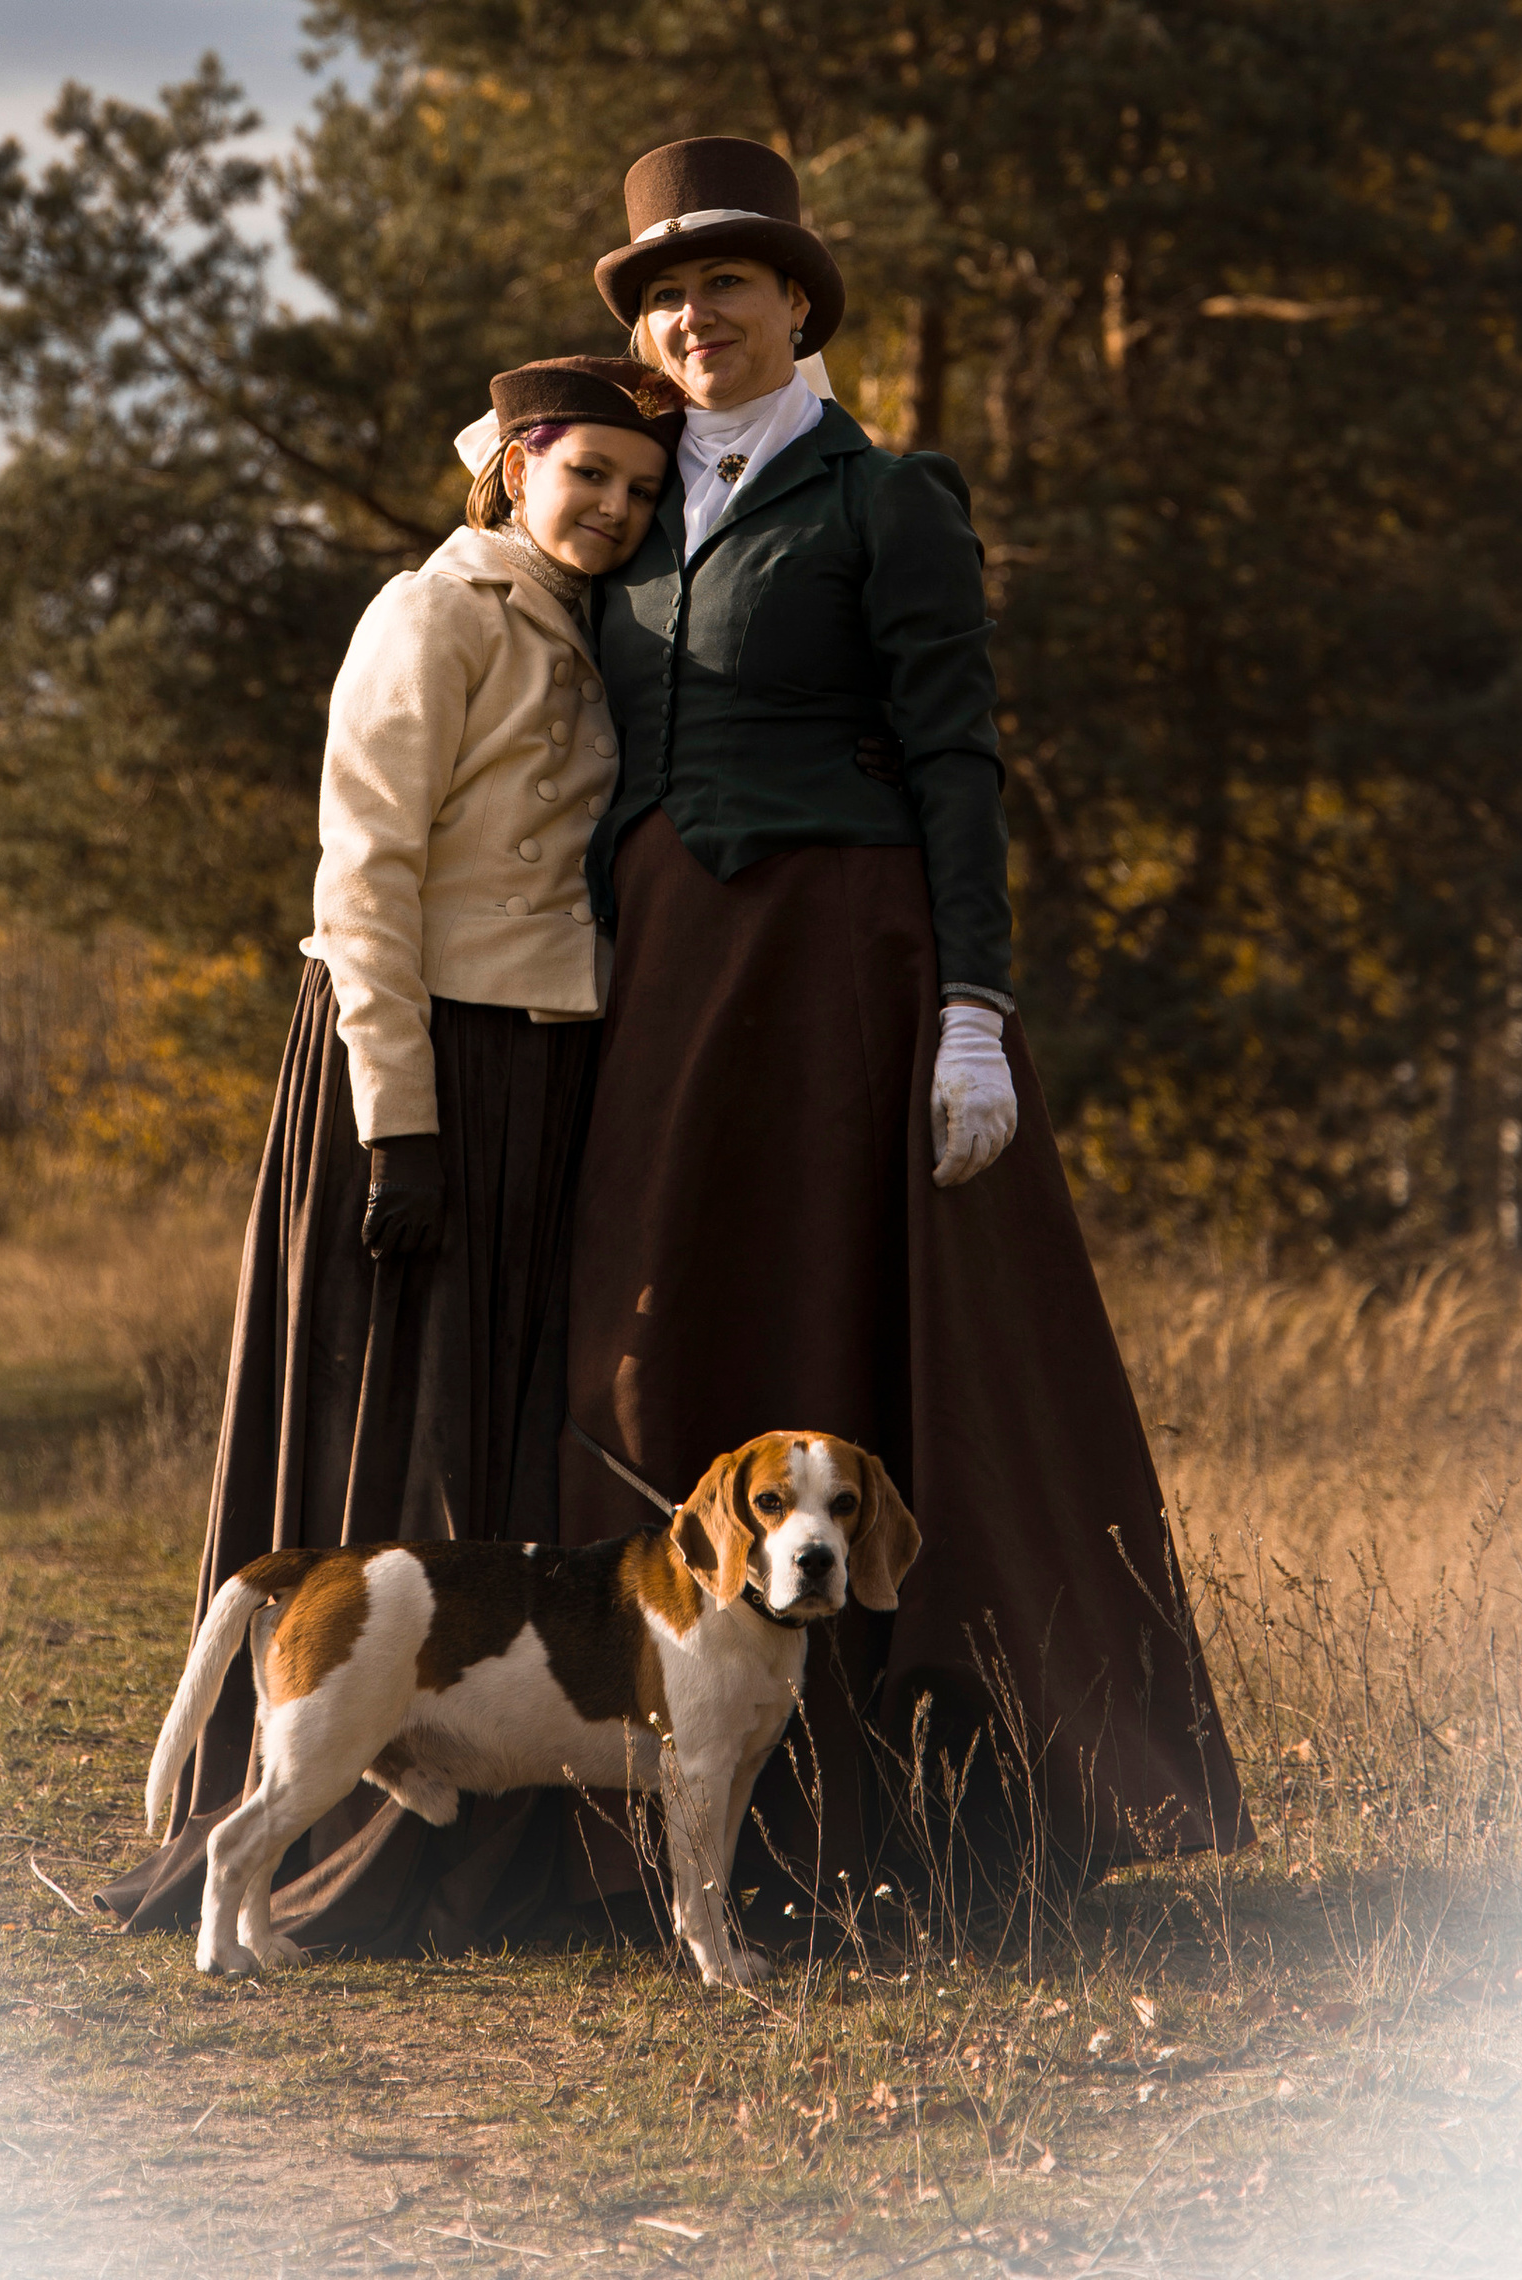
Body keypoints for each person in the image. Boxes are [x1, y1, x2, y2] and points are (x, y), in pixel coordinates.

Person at [559, 136, 1250, 1900]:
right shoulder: (616, 508)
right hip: (663, 989)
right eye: (663, 294)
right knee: (648, 1350)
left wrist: (974, 1008)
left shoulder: (886, 499)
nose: (695, 317)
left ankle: (902, 1816)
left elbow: (957, 759)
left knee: (853, 1344)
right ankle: (644, 1810)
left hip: (842, 979)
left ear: (798, 300)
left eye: (726, 281)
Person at [101, 355, 682, 1946]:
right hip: (415, 1070)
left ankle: (475, 1818)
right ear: (515, 465)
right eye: (589, 476)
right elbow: (363, 879)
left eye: (643, 491)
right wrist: (399, 1127)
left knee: (492, 1428)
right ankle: (322, 1823)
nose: (615, 509)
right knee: (400, 1427)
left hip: (543, 1072)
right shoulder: (428, 614)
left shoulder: (597, 629)